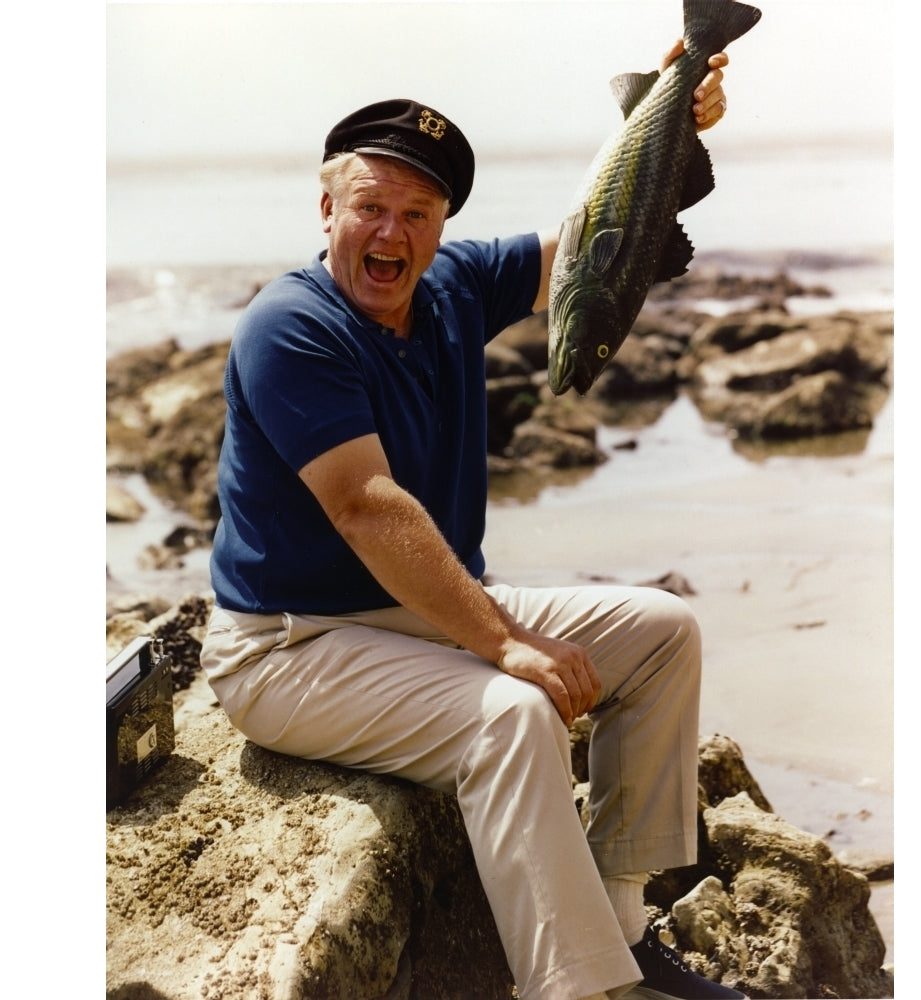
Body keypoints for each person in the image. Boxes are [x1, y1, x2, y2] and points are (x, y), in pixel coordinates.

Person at [201, 36, 747, 1000]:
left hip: (409, 616)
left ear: (442, 223)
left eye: (418, 213)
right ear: (327, 208)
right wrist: (505, 641)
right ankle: (583, 988)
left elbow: (607, 242)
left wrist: (671, 126)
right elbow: (367, 508)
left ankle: (623, 929)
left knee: (664, 633)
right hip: (290, 646)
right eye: (370, 206)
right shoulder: (290, 325)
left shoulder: (452, 283)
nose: (392, 233)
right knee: (513, 714)